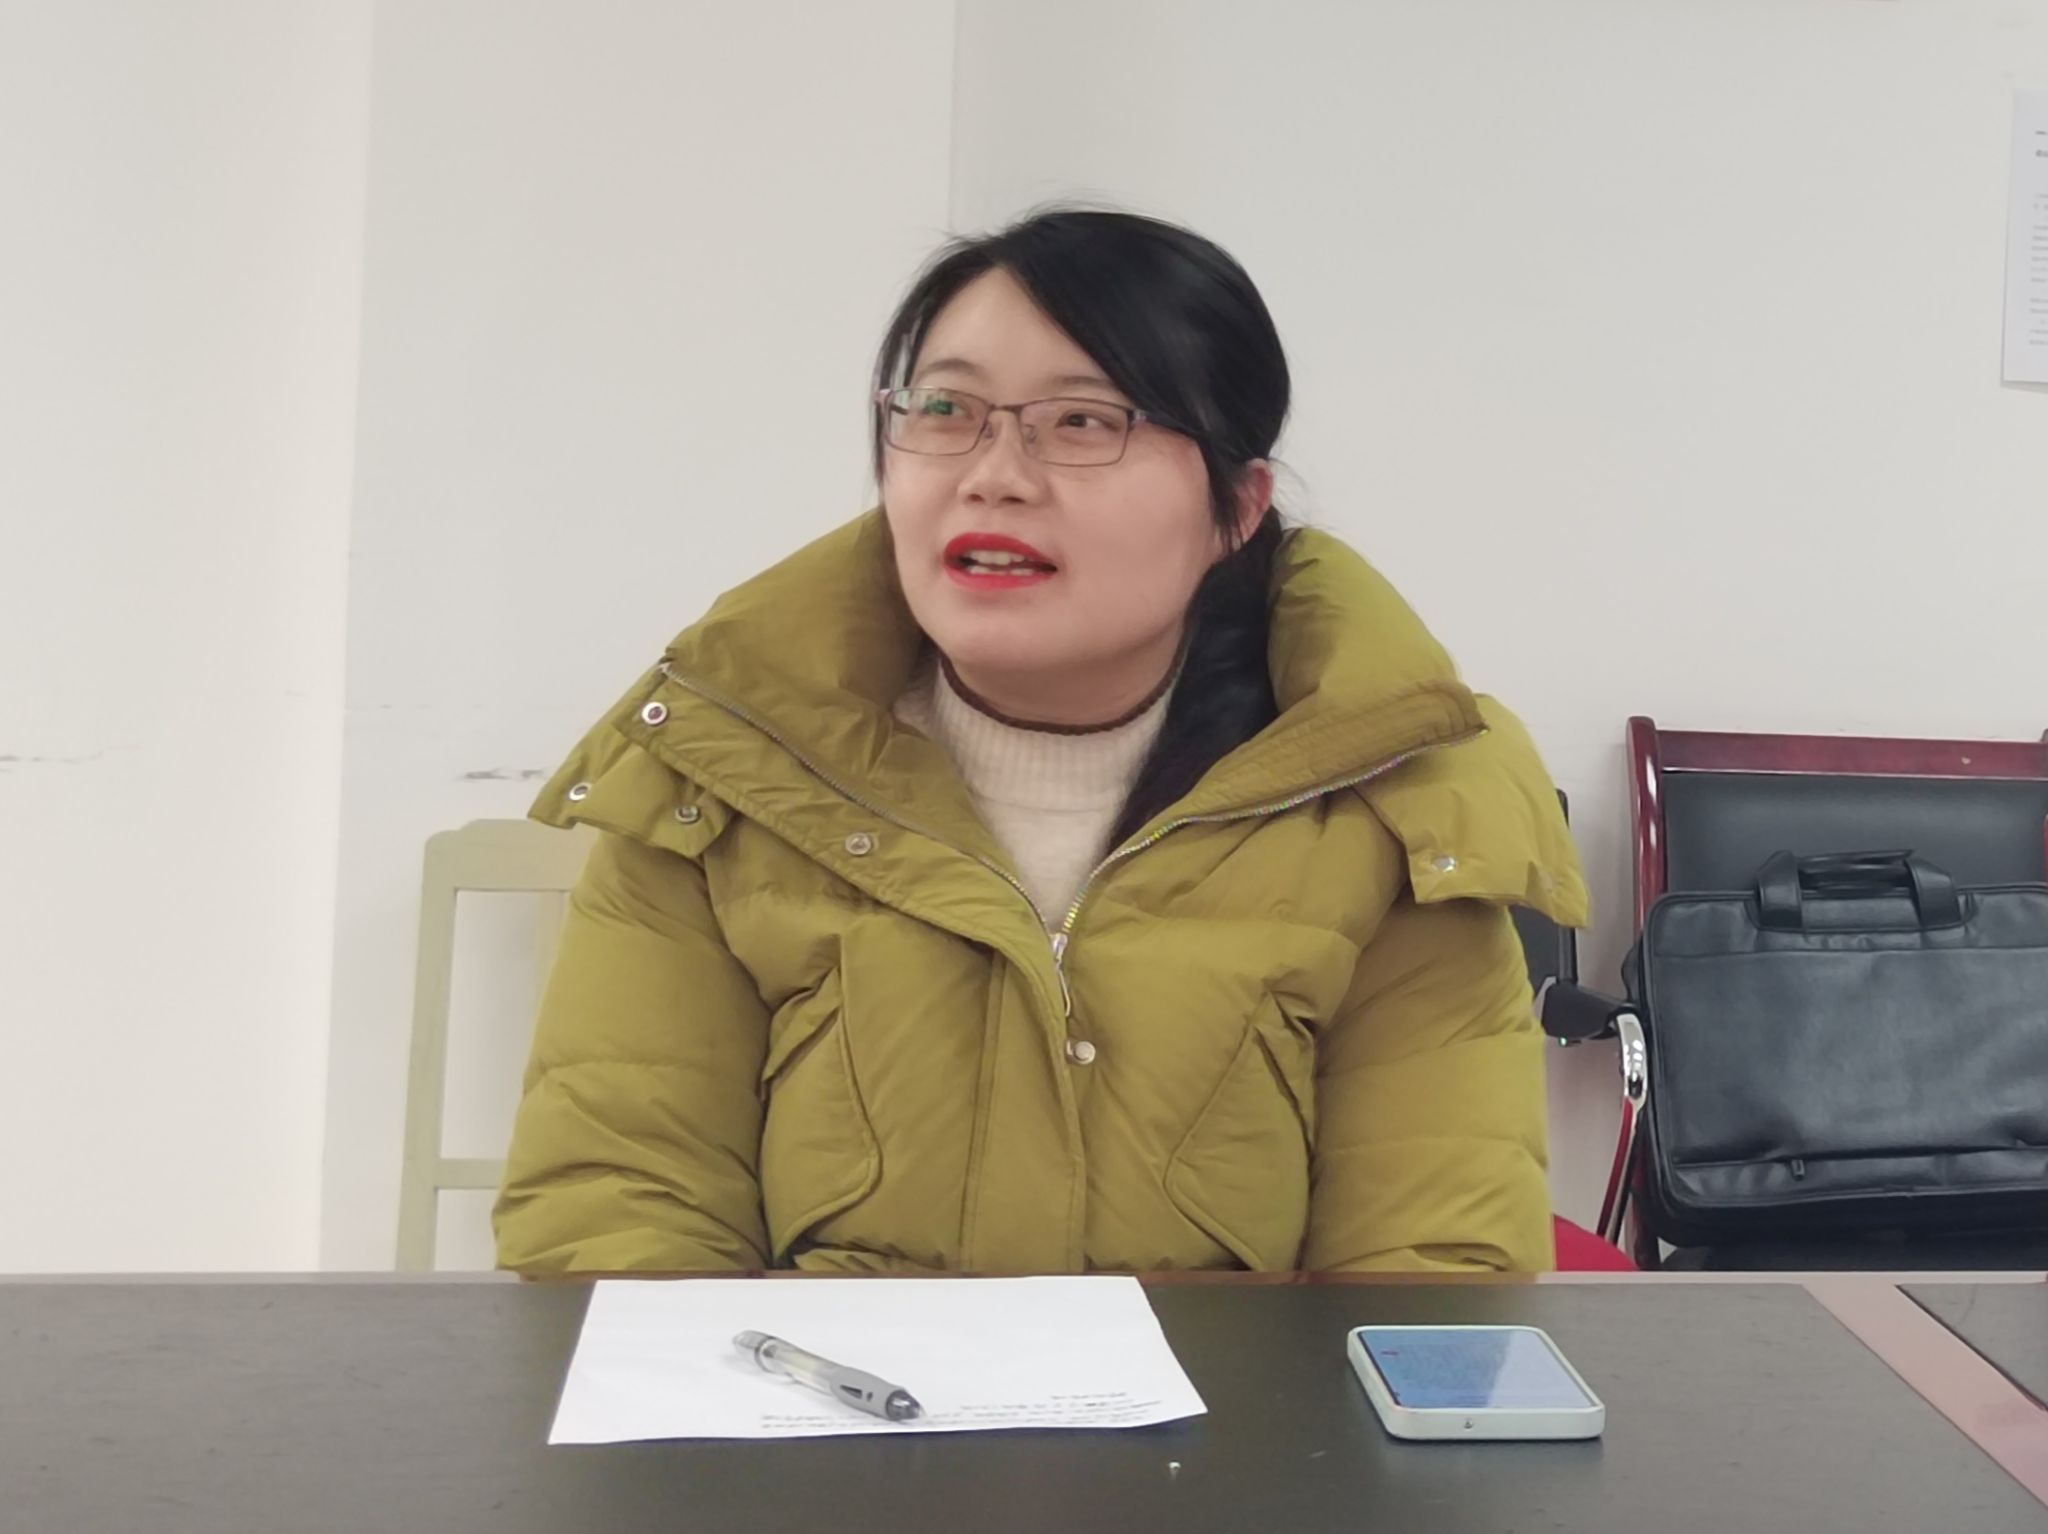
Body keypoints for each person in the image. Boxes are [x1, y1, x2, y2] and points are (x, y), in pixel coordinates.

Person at [491, 207, 1588, 1276]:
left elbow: (1427, 1285)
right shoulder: (715, 777)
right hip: (809, 1403)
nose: (993, 474)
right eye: (945, 408)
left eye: (1082, 422)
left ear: (1236, 508)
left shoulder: (1397, 807)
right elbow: (617, 1229)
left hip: (1231, 1410)